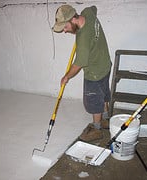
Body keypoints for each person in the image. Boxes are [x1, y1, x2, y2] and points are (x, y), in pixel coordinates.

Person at [52, 5, 112, 142]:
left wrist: (66, 76)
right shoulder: (88, 13)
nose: (65, 31)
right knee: (103, 93)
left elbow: (78, 64)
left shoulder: (83, 39)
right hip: (105, 63)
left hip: (94, 72)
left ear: (73, 19)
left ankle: (97, 129)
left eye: (65, 27)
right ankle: (106, 119)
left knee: (94, 99)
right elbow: (94, 8)